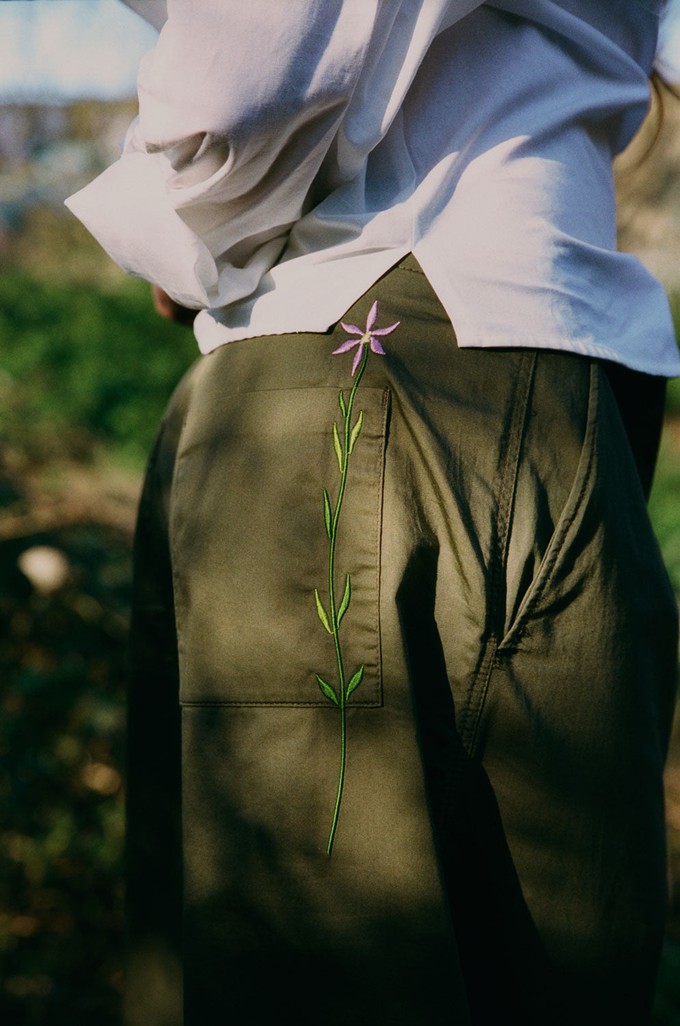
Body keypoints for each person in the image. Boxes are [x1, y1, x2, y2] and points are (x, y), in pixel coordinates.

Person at [66, 2, 680, 1023]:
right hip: (574, 375)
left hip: (356, 347)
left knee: (307, 975)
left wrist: (178, 232)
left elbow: (247, 73)